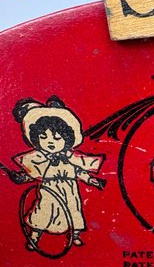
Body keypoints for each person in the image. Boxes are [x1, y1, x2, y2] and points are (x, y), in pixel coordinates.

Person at [8, 96, 105, 251]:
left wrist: (91, 180)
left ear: (67, 139)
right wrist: (21, 177)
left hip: (69, 192)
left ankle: (75, 236)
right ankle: (34, 237)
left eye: (57, 137)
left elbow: (79, 172)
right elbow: (34, 173)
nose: (50, 141)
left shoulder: (70, 158)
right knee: (42, 213)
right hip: (49, 191)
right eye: (43, 137)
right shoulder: (40, 159)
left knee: (74, 213)